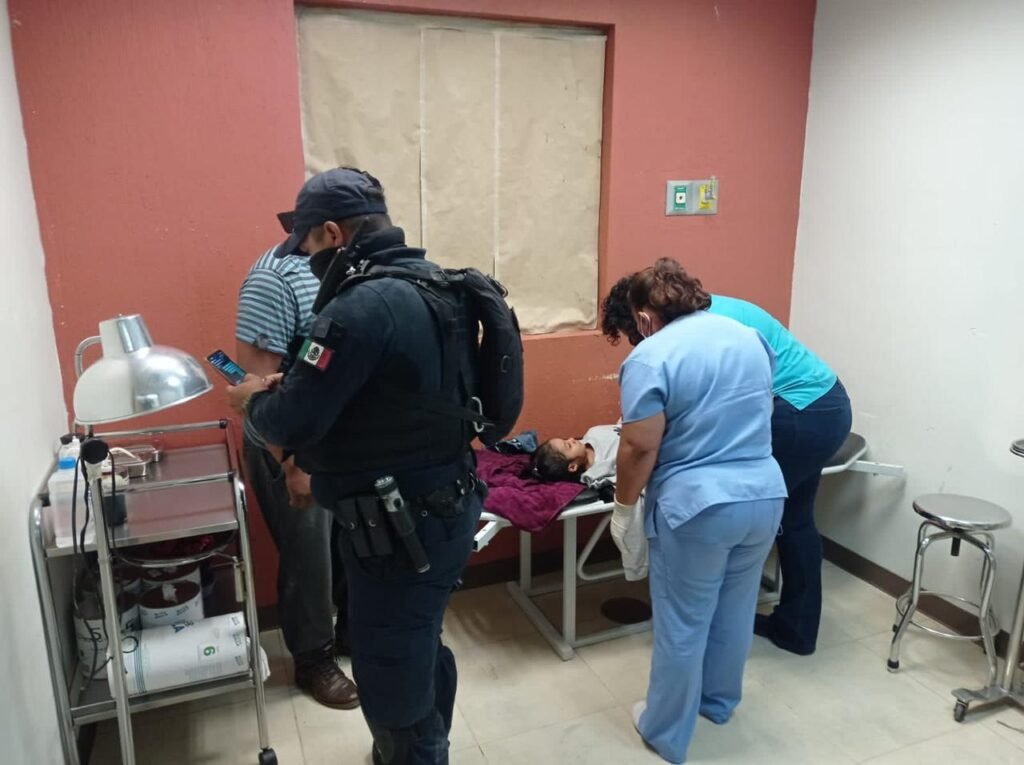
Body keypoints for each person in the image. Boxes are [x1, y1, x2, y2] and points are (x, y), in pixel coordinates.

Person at [227, 167, 486, 765]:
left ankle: (415, 750)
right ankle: (341, 673)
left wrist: (253, 406)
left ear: (333, 233)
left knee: (392, 665)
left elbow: (285, 416)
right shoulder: (434, 282)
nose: (304, 254)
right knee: (415, 637)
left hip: (396, 514)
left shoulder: (359, 305)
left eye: (309, 241)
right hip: (444, 497)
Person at [602, 272, 852, 656]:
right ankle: (795, 628)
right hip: (828, 406)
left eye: (636, 335)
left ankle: (709, 625)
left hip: (798, 412)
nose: (641, 344)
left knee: (723, 516)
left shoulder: (707, 330)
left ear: (643, 316)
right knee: (795, 519)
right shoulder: (703, 312)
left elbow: (704, 417)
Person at [610, 258, 787, 764]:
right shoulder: (749, 337)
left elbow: (639, 446)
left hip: (698, 510)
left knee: (683, 623)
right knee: (735, 610)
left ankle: (666, 732)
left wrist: (623, 508)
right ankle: (718, 703)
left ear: (644, 316)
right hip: (763, 496)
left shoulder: (651, 356)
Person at [235, 243, 358, 709]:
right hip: (290, 445)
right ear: (328, 229)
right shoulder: (274, 280)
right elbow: (255, 387)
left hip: (338, 437)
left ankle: (350, 633)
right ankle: (313, 658)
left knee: (352, 538)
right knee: (309, 554)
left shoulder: (351, 270)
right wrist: (291, 460)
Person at [530, 425, 620, 485]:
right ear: (573, 466)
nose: (571, 439)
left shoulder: (593, 432)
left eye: (565, 440)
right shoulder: (598, 473)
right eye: (569, 445)